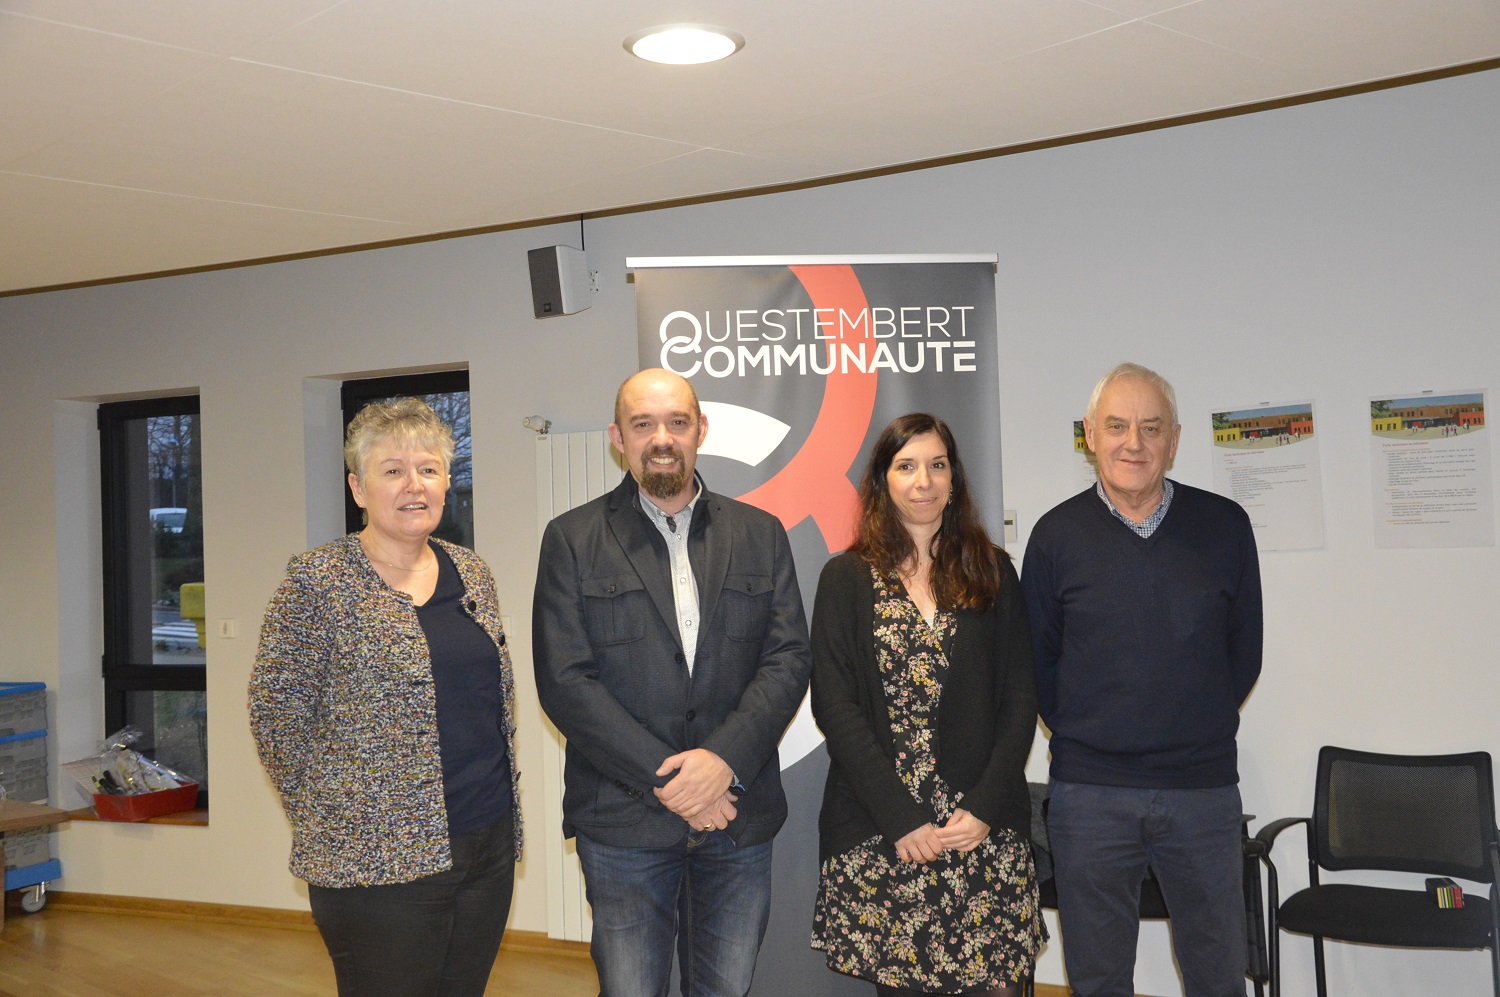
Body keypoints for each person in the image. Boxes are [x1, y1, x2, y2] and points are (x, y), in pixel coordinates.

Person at [532, 367, 812, 997]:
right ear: (618, 437)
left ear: (700, 430)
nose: (662, 438)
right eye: (643, 424)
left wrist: (722, 762)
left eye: (677, 422)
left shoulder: (760, 534)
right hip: (624, 819)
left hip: (736, 816)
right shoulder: (572, 539)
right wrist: (676, 783)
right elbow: (565, 681)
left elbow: (788, 659)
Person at [249, 397, 522, 997]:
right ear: (359, 487)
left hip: (486, 842)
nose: (413, 485)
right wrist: (336, 818)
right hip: (376, 858)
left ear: (446, 482)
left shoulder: (472, 572)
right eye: (393, 470)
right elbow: (276, 717)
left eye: (428, 469)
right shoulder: (318, 581)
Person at [1021, 363, 1263, 997]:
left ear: (1174, 440)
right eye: (1117, 426)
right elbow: (1037, 662)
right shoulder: (1054, 537)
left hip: (1202, 792)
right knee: (1098, 979)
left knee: (1218, 976)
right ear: (1090, 435)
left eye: (1151, 428)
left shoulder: (1225, 526)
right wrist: (1090, 733)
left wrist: (1194, 728)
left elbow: (1245, 653)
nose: (1134, 443)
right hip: (1090, 795)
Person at [809, 413, 1044, 997]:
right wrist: (901, 818)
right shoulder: (845, 578)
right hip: (886, 828)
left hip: (980, 829)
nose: (924, 481)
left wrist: (984, 807)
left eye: (937, 465)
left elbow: (1021, 698)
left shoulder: (993, 570)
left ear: (954, 478)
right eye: (906, 466)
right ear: (882, 480)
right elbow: (835, 706)